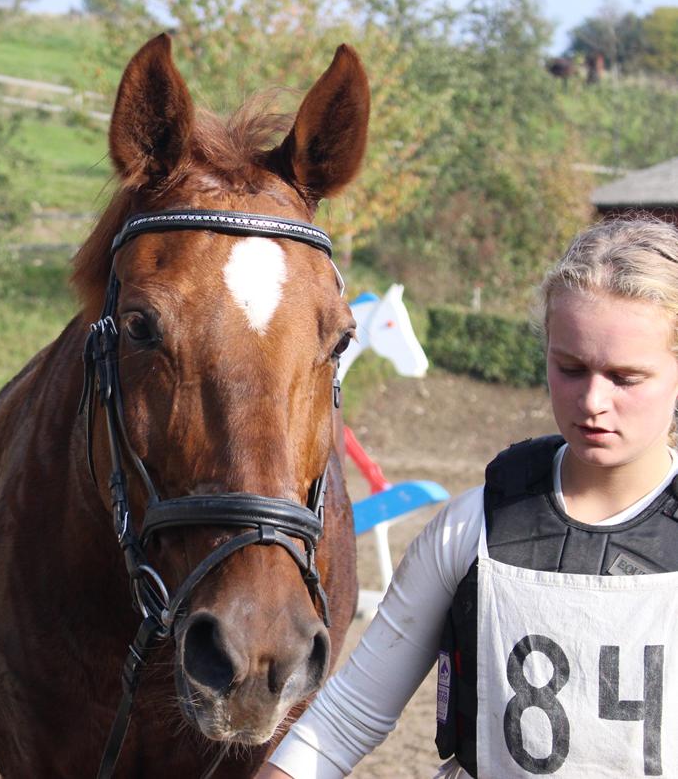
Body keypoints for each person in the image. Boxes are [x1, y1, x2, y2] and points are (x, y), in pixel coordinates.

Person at [258, 216, 678, 779]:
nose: (593, 401)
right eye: (571, 368)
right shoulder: (470, 527)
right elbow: (345, 719)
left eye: (626, 378)